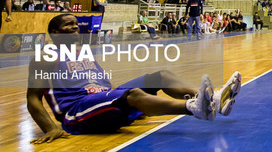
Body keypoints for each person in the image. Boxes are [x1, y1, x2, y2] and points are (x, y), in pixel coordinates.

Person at [27, 14, 241, 144]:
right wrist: (51, 128)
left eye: (75, 24)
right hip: (76, 112)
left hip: (100, 101)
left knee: (160, 76)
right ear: (55, 32)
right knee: (134, 95)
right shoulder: (46, 56)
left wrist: (120, 102)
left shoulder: (83, 50)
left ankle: (214, 100)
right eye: (68, 25)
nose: (74, 27)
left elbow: (101, 80)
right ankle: (194, 108)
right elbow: (33, 98)